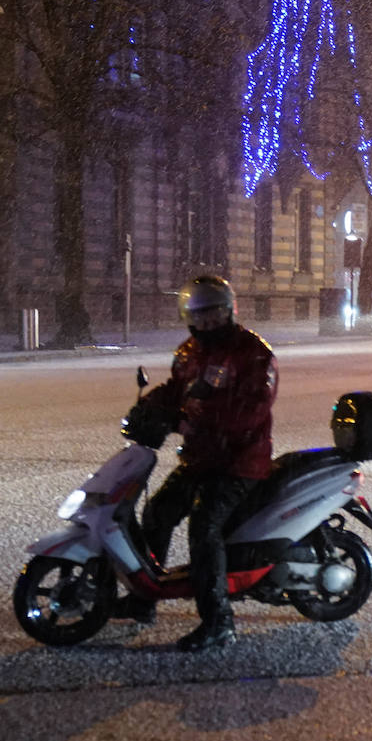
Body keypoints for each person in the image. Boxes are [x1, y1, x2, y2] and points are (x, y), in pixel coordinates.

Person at [117, 275, 277, 651]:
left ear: (229, 310)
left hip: (240, 462)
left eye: (214, 313)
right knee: (156, 513)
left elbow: (252, 410)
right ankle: (144, 599)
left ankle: (219, 621)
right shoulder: (191, 351)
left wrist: (201, 423)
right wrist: (148, 406)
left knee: (204, 529)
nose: (206, 322)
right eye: (198, 315)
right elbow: (177, 388)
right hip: (201, 458)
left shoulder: (252, 353)